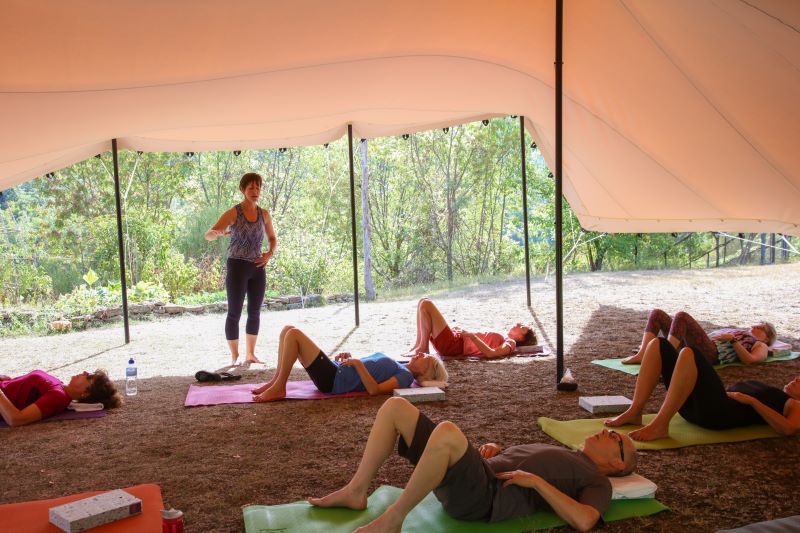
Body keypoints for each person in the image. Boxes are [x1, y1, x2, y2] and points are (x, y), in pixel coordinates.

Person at [309, 397, 637, 532]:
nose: (609, 431)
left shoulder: (597, 482)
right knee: (396, 407)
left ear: (616, 465)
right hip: (481, 474)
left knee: (448, 431)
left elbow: (585, 521)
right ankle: (356, 491)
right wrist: (499, 450)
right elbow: (525, 463)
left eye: (617, 440)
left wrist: (535, 482)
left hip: (487, 497)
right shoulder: (570, 457)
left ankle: (394, 519)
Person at [606, 337, 800, 441]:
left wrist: (751, 401)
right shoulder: (778, 393)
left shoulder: (794, 405)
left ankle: (660, 425)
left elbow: (789, 429)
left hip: (717, 415)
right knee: (658, 344)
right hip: (697, 408)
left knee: (690, 353)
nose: (797, 379)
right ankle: (635, 411)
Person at [251, 326, 449, 402]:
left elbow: (375, 390)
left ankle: (280, 388)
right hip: (337, 372)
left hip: (334, 381)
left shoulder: (405, 377)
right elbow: (367, 371)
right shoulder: (401, 365)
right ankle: (276, 382)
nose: (423, 353)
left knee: (294, 335)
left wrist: (356, 364)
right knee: (287, 331)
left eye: (426, 358)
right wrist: (351, 358)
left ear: (424, 372)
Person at [206, 172, 277, 367]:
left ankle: (251, 354)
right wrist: (217, 233)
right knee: (234, 312)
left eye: (258, 187)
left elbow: (272, 238)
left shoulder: (264, 214)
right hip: (237, 266)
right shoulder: (233, 212)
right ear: (242, 190)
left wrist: (269, 254)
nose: (255, 191)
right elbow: (209, 235)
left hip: (257, 267)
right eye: (251, 188)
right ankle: (234, 356)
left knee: (254, 312)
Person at [622, 309, 776, 366]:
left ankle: (664, 355)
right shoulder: (739, 331)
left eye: (761, 327)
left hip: (711, 353)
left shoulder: (760, 345)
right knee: (657, 314)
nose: (755, 326)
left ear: (767, 338)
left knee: (682, 316)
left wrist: (733, 340)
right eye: (755, 325)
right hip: (700, 345)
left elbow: (750, 360)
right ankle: (642, 354)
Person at [404, 298, 537, 359]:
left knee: (426, 303)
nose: (518, 324)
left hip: (455, 346)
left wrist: (471, 336)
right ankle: (419, 345)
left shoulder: (511, 343)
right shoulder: (505, 338)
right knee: (422, 303)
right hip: (456, 341)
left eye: (522, 327)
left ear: (521, 338)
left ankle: (423, 348)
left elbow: (491, 353)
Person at [0, 369, 122, 427]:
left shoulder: (58, 397)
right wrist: (9, 380)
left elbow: (16, 419)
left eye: (89, 376)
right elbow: (23, 391)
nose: (85, 372)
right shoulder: (60, 385)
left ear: (86, 393)